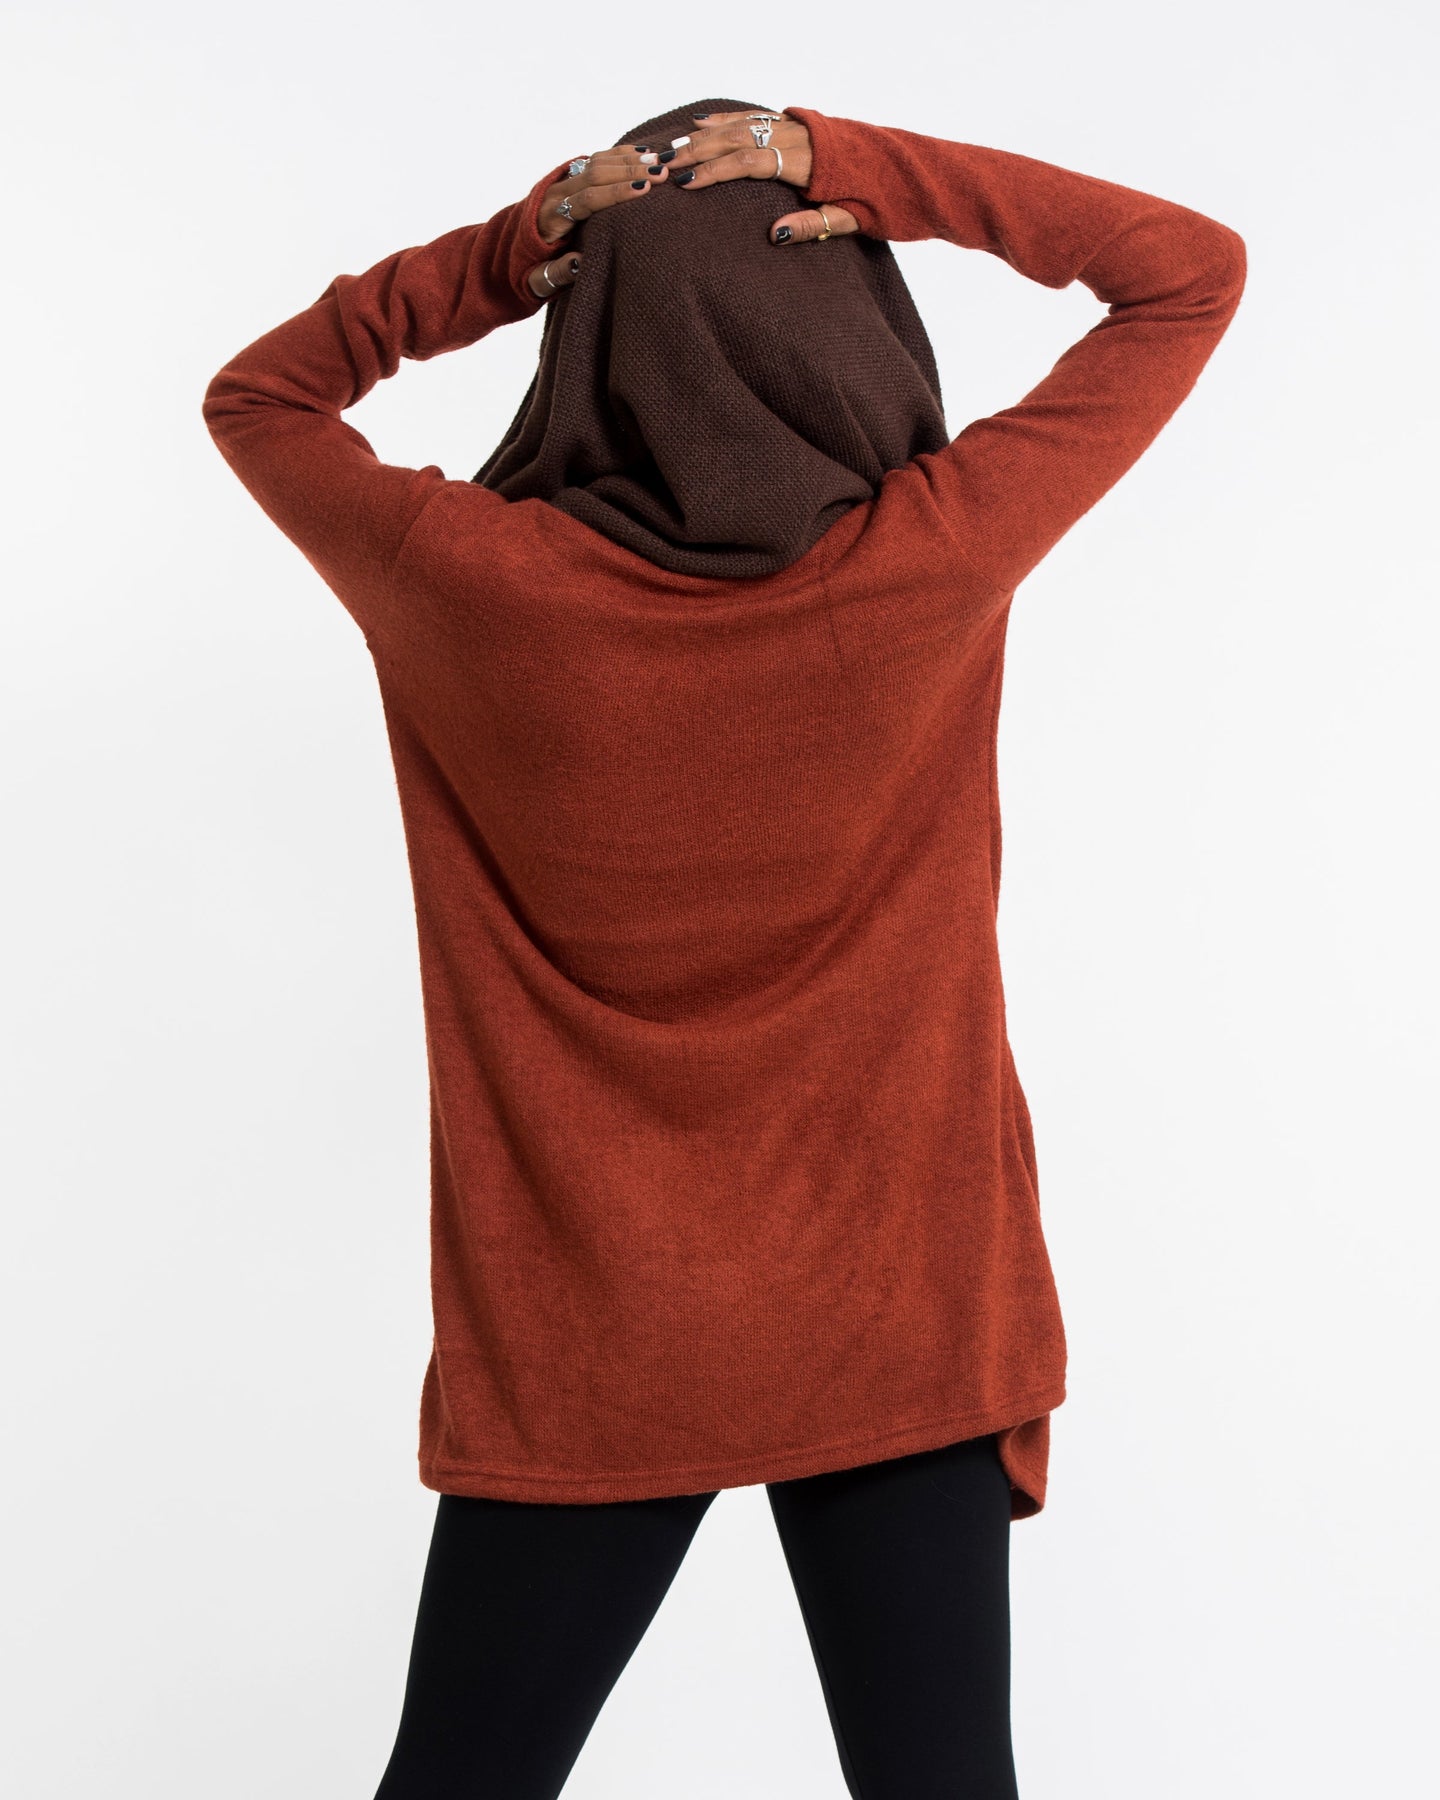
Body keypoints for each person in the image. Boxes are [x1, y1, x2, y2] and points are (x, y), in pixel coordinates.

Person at [203, 98, 1245, 1798]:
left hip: (589, 1341)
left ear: (591, 336)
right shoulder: (934, 554)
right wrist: (857, 165)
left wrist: (514, 249)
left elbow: (258, 399)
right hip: (900, 1312)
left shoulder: (459, 578)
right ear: (845, 324)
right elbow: (1188, 273)